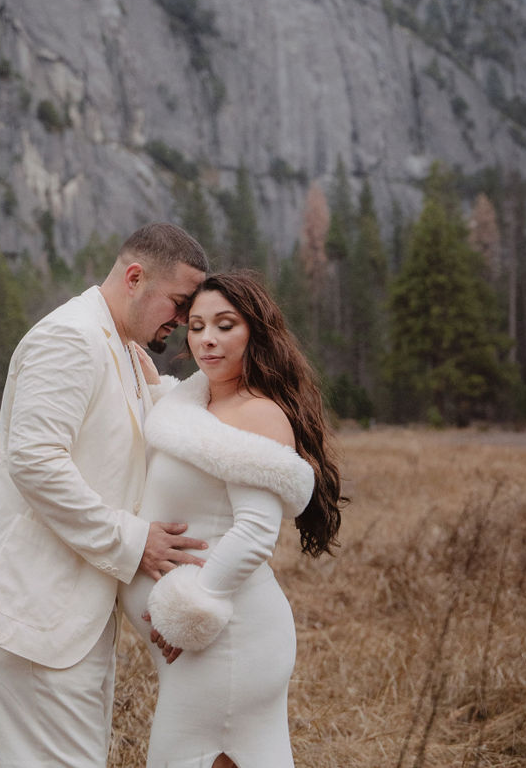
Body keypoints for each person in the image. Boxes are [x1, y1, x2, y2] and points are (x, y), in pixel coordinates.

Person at [0, 222, 210, 768]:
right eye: (180, 303)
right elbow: (35, 461)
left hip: (78, 614)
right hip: (38, 611)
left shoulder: (124, 348)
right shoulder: (69, 337)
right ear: (135, 278)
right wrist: (134, 541)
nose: (184, 322)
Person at [121, 270, 344, 768]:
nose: (207, 339)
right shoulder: (198, 401)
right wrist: (152, 388)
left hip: (228, 638)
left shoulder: (257, 414)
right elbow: (186, 441)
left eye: (225, 325)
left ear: (255, 332)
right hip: (206, 647)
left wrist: (188, 609)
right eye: (196, 326)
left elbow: (255, 532)